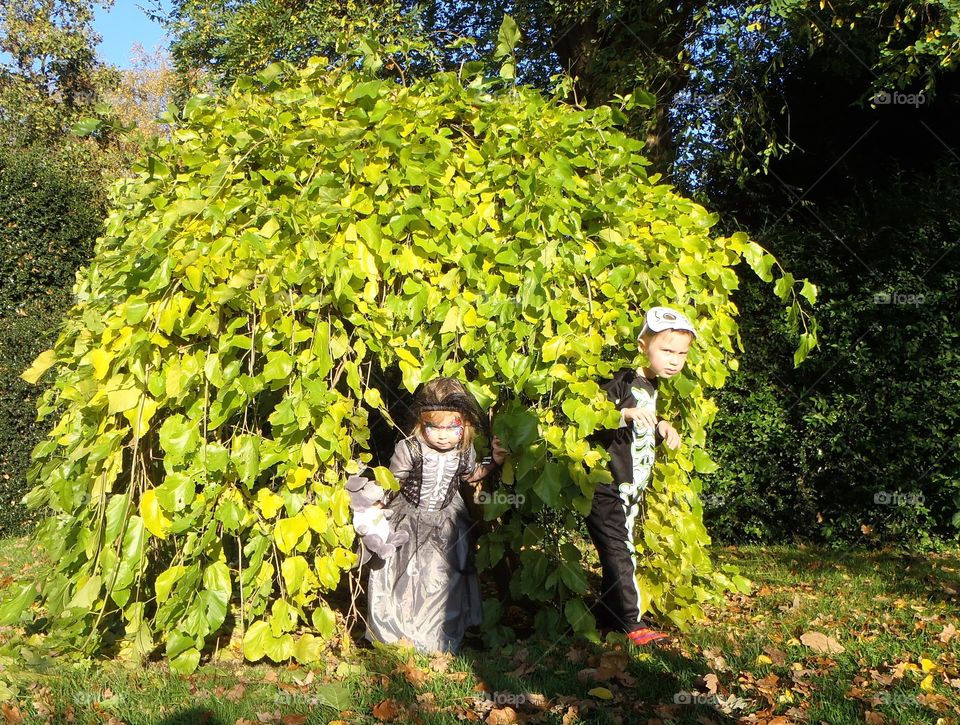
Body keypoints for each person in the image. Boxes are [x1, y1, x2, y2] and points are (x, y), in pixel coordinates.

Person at [362, 377, 506, 653]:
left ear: (463, 426)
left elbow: (471, 474)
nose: (442, 435)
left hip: (445, 525)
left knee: (441, 579)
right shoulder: (410, 449)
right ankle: (400, 633)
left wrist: (494, 461)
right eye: (433, 426)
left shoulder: (464, 451)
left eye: (451, 427)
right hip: (409, 520)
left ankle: (434, 639)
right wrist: (376, 505)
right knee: (406, 579)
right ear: (421, 424)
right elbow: (394, 481)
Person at [586, 306, 696, 646]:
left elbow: (647, 417)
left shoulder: (650, 385)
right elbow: (591, 416)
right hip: (607, 487)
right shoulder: (621, 380)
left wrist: (662, 425)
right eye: (667, 350)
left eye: (681, 353)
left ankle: (607, 618)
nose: (675, 360)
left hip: (630, 489)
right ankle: (633, 625)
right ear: (642, 345)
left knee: (616, 551)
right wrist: (625, 414)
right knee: (622, 553)